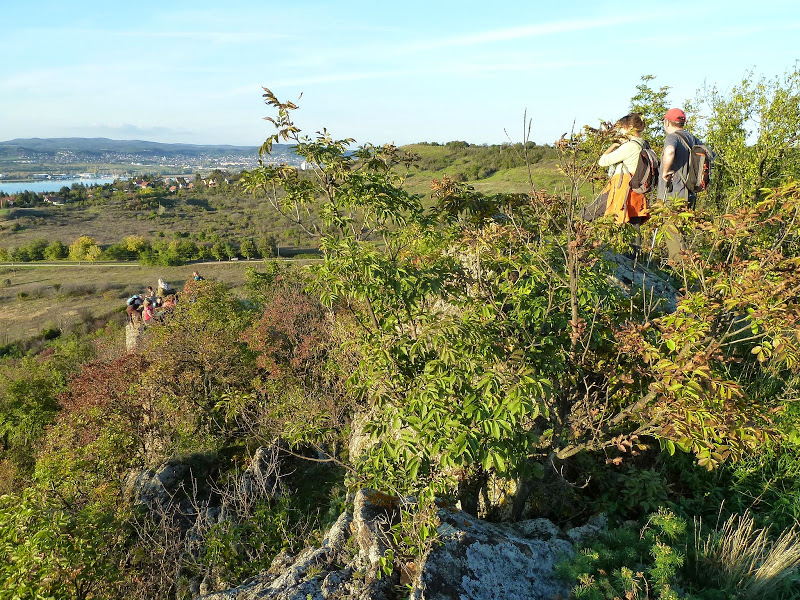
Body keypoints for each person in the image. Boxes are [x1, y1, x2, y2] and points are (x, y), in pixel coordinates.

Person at [658, 108, 702, 262]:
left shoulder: (673, 138)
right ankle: (687, 269)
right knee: (682, 233)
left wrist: (665, 171)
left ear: (667, 122)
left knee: (672, 234)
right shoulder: (693, 139)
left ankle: (679, 271)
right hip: (690, 193)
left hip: (673, 194)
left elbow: (670, 151)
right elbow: (710, 155)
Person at [596, 113, 650, 226]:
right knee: (635, 230)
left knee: (588, 216)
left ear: (630, 127)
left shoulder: (630, 146)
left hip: (624, 192)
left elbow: (602, 161)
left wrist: (615, 145)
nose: (620, 131)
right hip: (638, 191)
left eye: (621, 128)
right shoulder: (645, 144)